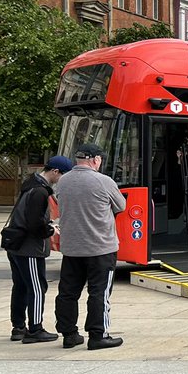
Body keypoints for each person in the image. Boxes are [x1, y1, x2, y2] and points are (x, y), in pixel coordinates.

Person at [53, 144, 126, 350]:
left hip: (72, 248)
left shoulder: (63, 181)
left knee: (67, 292)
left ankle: (69, 334)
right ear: (95, 160)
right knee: (99, 293)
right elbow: (121, 206)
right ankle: (98, 335)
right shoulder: (103, 181)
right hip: (100, 248)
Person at [7, 156, 72, 344]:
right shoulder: (40, 192)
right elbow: (34, 223)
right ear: (55, 172)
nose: (61, 180)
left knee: (20, 286)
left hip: (17, 245)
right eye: (63, 175)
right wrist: (50, 229)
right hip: (30, 248)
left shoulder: (30, 184)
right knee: (37, 287)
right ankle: (35, 329)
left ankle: (18, 327)